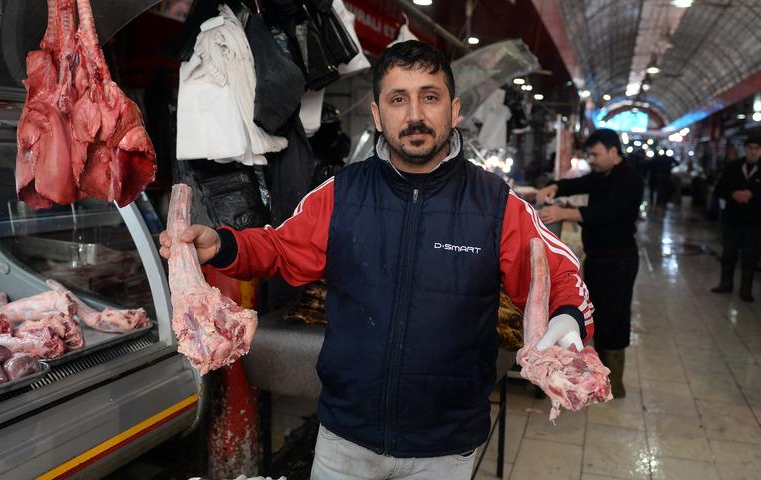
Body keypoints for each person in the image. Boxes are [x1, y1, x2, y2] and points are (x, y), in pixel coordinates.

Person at [161, 41, 593, 480]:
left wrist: (567, 317)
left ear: (454, 109)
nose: (415, 116)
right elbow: (280, 247)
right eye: (398, 99)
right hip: (346, 438)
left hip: (444, 446)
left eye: (430, 97)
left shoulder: (497, 204)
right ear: (377, 114)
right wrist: (224, 245)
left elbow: (556, 268)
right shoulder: (342, 193)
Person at [536, 129, 643, 399]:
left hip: (619, 261)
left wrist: (562, 211)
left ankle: (614, 383)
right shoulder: (603, 175)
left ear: (613, 152)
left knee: (614, 319)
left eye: (595, 155)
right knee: (595, 315)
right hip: (598, 258)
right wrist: (556, 186)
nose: (591, 160)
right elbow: (582, 183)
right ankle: (595, 376)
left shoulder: (629, 179)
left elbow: (606, 214)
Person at [710, 136, 761, 302]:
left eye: (757, 148)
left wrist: (752, 195)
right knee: (729, 252)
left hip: (754, 222)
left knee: (750, 255)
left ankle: (745, 290)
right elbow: (719, 189)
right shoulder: (733, 167)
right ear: (745, 149)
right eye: (750, 147)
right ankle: (726, 282)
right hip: (732, 219)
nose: (753, 151)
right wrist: (733, 194)